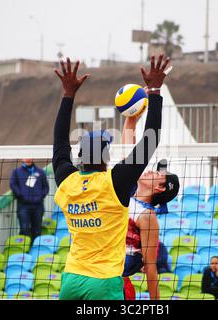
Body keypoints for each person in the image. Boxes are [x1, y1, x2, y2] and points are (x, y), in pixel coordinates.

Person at [53, 55, 171, 300]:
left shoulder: (67, 181)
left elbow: (59, 143)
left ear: (80, 156)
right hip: (103, 282)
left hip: (71, 280)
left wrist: (67, 94)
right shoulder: (115, 182)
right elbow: (151, 139)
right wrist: (155, 90)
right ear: (106, 157)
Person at [120, 112, 180, 300]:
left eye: (157, 174)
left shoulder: (147, 216)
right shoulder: (127, 187)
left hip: (119, 283)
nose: (150, 171)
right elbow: (128, 143)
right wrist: (132, 116)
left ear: (160, 188)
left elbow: (151, 267)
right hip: (99, 274)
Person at [9, 159, 49, 242]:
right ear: (22, 159)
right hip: (23, 206)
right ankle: (24, 251)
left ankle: (35, 250)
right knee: (24, 229)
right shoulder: (16, 172)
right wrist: (21, 195)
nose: (28, 158)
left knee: (37, 229)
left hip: (38, 205)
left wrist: (40, 197)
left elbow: (46, 187)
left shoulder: (40, 172)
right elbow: (13, 184)